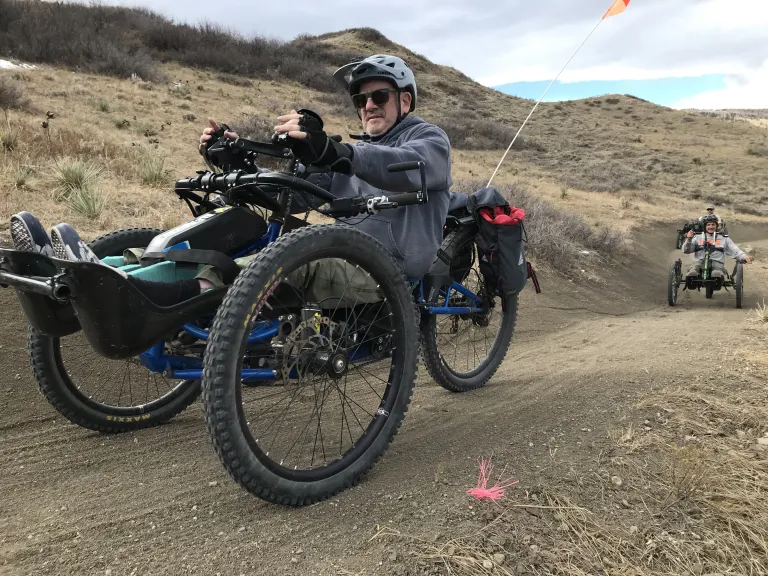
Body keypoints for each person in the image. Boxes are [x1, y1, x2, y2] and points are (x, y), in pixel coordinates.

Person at [9, 54, 459, 307]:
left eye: (378, 96)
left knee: (282, 264)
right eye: (361, 101)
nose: (368, 106)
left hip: (385, 269)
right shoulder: (354, 153)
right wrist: (236, 154)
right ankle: (101, 268)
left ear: (404, 99)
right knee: (240, 229)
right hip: (341, 249)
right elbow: (293, 191)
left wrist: (340, 152)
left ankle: (138, 292)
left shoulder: (427, 140)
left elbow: (409, 166)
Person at [682, 214, 752, 278]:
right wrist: (689, 239)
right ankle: (692, 276)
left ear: (716, 226)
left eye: (713, 225)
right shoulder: (697, 237)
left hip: (717, 263)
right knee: (693, 272)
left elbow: (735, 250)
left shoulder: (724, 238)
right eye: (708, 225)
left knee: (716, 274)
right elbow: (686, 250)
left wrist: (744, 256)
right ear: (705, 226)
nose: (711, 227)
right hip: (699, 262)